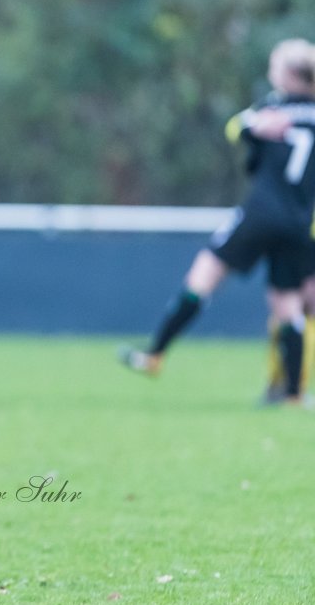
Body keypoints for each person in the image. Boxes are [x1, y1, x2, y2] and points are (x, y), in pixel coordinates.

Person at [120, 38, 315, 400]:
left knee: (204, 275)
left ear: (289, 75)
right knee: (288, 306)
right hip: (300, 223)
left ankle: (155, 352)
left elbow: (236, 129)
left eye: (275, 67)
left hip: (260, 214)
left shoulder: (274, 109)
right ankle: (293, 395)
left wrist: (252, 125)